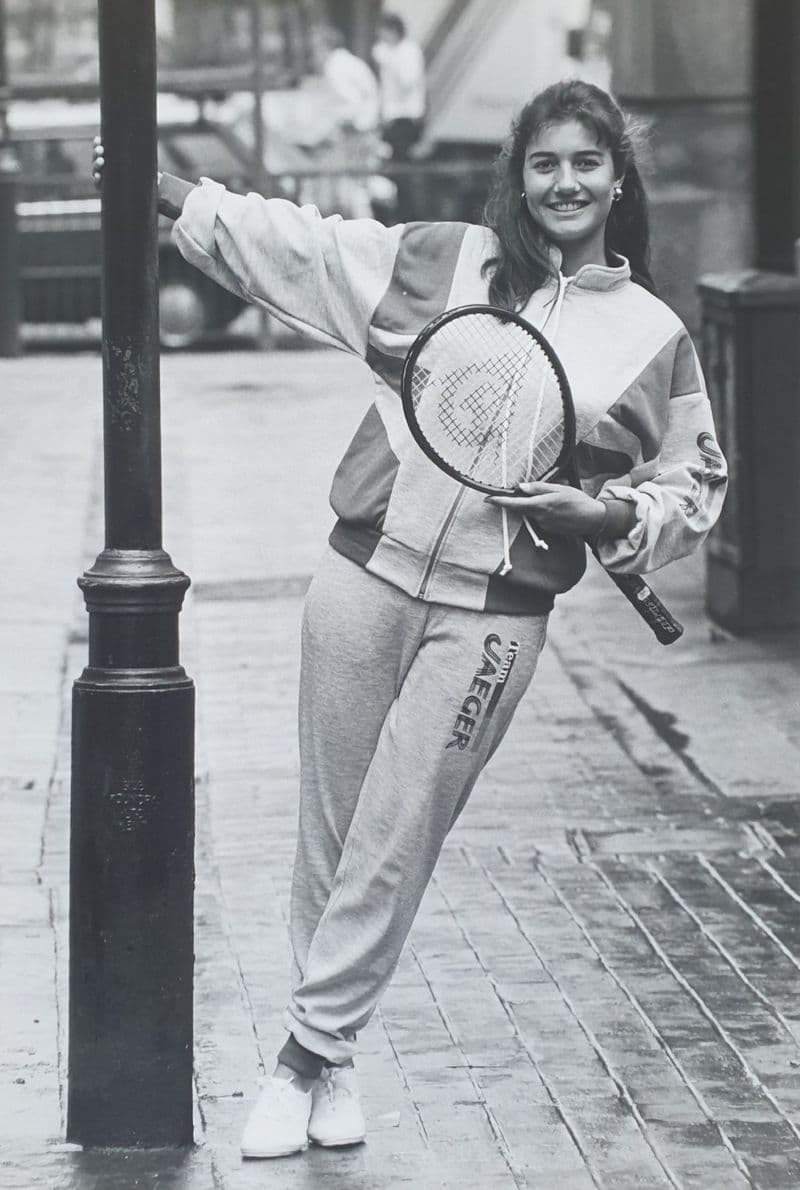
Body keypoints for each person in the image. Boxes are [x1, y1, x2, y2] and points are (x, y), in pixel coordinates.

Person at [92, 78, 727, 1161]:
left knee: (397, 831)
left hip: (495, 618)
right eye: (544, 162)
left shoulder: (654, 333)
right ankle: (332, 1053)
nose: (564, 182)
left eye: (585, 163)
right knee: (330, 835)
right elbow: (301, 244)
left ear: (616, 180)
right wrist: (178, 196)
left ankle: (294, 1058)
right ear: (516, 176)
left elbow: (695, 478)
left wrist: (608, 510)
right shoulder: (441, 260)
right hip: (360, 575)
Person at [372, 11, 426, 161]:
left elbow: (407, 82)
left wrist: (389, 60)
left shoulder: (409, 51)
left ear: (394, 31)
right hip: (391, 116)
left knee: (401, 161)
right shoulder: (389, 52)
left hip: (406, 116)